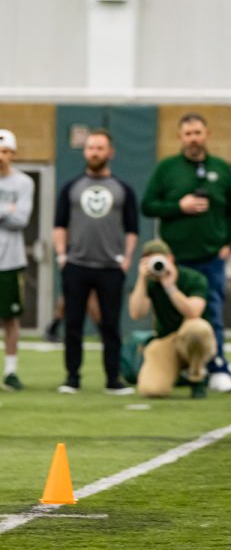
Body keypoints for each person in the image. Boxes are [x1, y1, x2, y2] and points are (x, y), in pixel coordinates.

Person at [141, 113, 231, 393]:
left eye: (197, 132)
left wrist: (230, 243)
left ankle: (218, 369)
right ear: (180, 137)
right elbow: (148, 205)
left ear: (206, 134)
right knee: (171, 314)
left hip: (211, 257)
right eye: (188, 133)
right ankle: (176, 368)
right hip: (176, 258)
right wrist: (178, 205)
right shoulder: (167, 169)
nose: (193, 138)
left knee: (212, 313)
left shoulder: (220, 169)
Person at [53, 128, 138, 395]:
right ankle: (72, 378)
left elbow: (132, 229)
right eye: (90, 147)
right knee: (74, 325)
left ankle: (113, 379)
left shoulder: (123, 189)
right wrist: (62, 256)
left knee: (111, 325)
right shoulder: (71, 188)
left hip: (110, 268)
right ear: (85, 151)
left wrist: (125, 260)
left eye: (100, 148)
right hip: (76, 266)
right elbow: (59, 225)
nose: (95, 152)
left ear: (110, 152)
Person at [127, 239, 215, 399]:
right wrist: (141, 279)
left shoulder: (192, 278)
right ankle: (177, 375)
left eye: (159, 260)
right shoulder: (149, 283)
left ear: (170, 259)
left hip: (192, 338)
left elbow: (193, 312)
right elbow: (136, 313)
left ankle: (197, 378)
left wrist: (170, 287)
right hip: (166, 339)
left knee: (197, 329)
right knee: (152, 390)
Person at [0, 129, 34, 391]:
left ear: (12, 153)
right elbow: (11, 215)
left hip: (10, 261)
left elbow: (21, 219)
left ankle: (10, 371)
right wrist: (5, 210)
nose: (1, 157)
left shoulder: (23, 183)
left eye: (6, 151)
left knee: (11, 319)